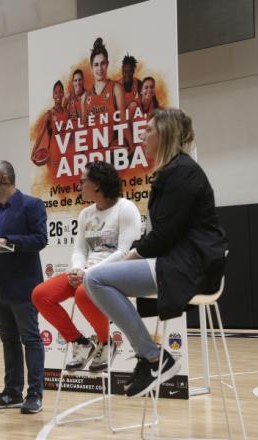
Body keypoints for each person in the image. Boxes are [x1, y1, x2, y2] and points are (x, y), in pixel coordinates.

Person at [83, 108, 228, 398]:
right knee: (97, 279)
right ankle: (151, 357)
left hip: (192, 265)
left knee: (96, 279)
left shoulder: (183, 172)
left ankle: (153, 357)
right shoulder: (172, 171)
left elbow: (163, 236)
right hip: (176, 259)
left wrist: (130, 258)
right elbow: (159, 233)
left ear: (165, 134)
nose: (143, 134)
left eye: (148, 130)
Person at [32, 161, 140, 373]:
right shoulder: (86, 214)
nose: (78, 187)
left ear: (98, 185)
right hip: (86, 273)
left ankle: (105, 342)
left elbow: (124, 253)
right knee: (40, 295)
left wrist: (87, 274)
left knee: (83, 292)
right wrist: (76, 268)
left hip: (114, 274)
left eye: (83, 182)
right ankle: (80, 342)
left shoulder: (126, 209)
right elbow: (80, 249)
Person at [0, 160, 48, 414]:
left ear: (4, 180)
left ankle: (35, 394)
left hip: (23, 286)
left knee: (30, 339)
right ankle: (12, 392)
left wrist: (8, 241)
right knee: (8, 340)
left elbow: (39, 239)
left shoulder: (31, 205)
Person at [82, 37, 131, 152]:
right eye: (96, 64)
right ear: (91, 66)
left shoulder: (115, 88)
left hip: (111, 149)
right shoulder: (85, 96)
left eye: (102, 63)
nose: (100, 68)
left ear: (107, 64)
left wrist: (131, 145)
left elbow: (123, 121)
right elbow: (83, 129)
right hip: (92, 151)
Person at [31, 80, 68, 166]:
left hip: (66, 154)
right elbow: (40, 135)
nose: (58, 95)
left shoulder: (67, 112)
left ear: (63, 94)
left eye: (60, 92)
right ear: (53, 95)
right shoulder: (49, 114)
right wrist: (33, 153)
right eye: (55, 93)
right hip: (53, 155)